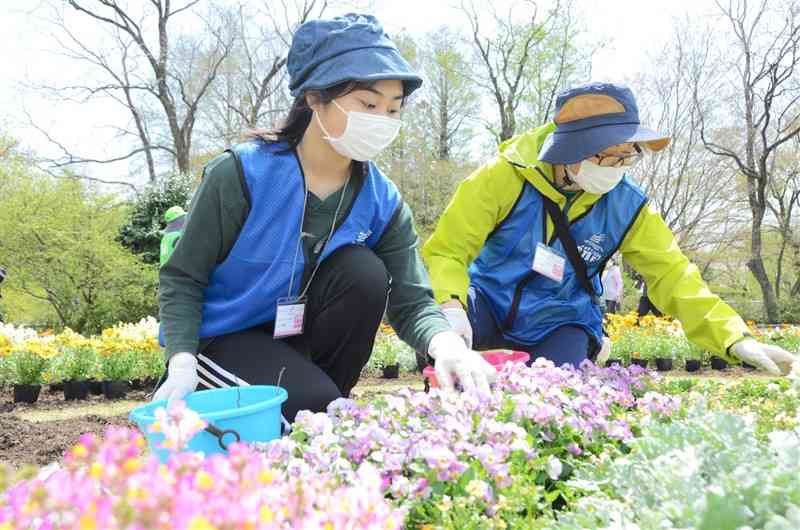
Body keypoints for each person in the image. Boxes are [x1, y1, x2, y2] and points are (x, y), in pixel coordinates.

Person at [153, 13, 495, 418]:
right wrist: (181, 361)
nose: (382, 121)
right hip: (225, 339)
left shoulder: (380, 199)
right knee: (315, 406)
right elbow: (183, 276)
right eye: (368, 104)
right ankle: (298, 405)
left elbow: (411, 297)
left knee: (363, 271)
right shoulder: (243, 175)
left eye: (393, 110)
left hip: (295, 344)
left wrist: (446, 344)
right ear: (315, 98)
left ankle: (318, 404)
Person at [422, 82, 797, 375]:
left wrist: (736, 339)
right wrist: (451, 308)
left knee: (550, 393)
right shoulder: (501, 177)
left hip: (560, 317)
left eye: (627, 156)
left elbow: (673, 274)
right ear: (569, 149)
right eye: (607, 154)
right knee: (439, 342)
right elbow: (448, 251)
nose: (618, 166)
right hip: (485, 302)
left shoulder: (627, 204)